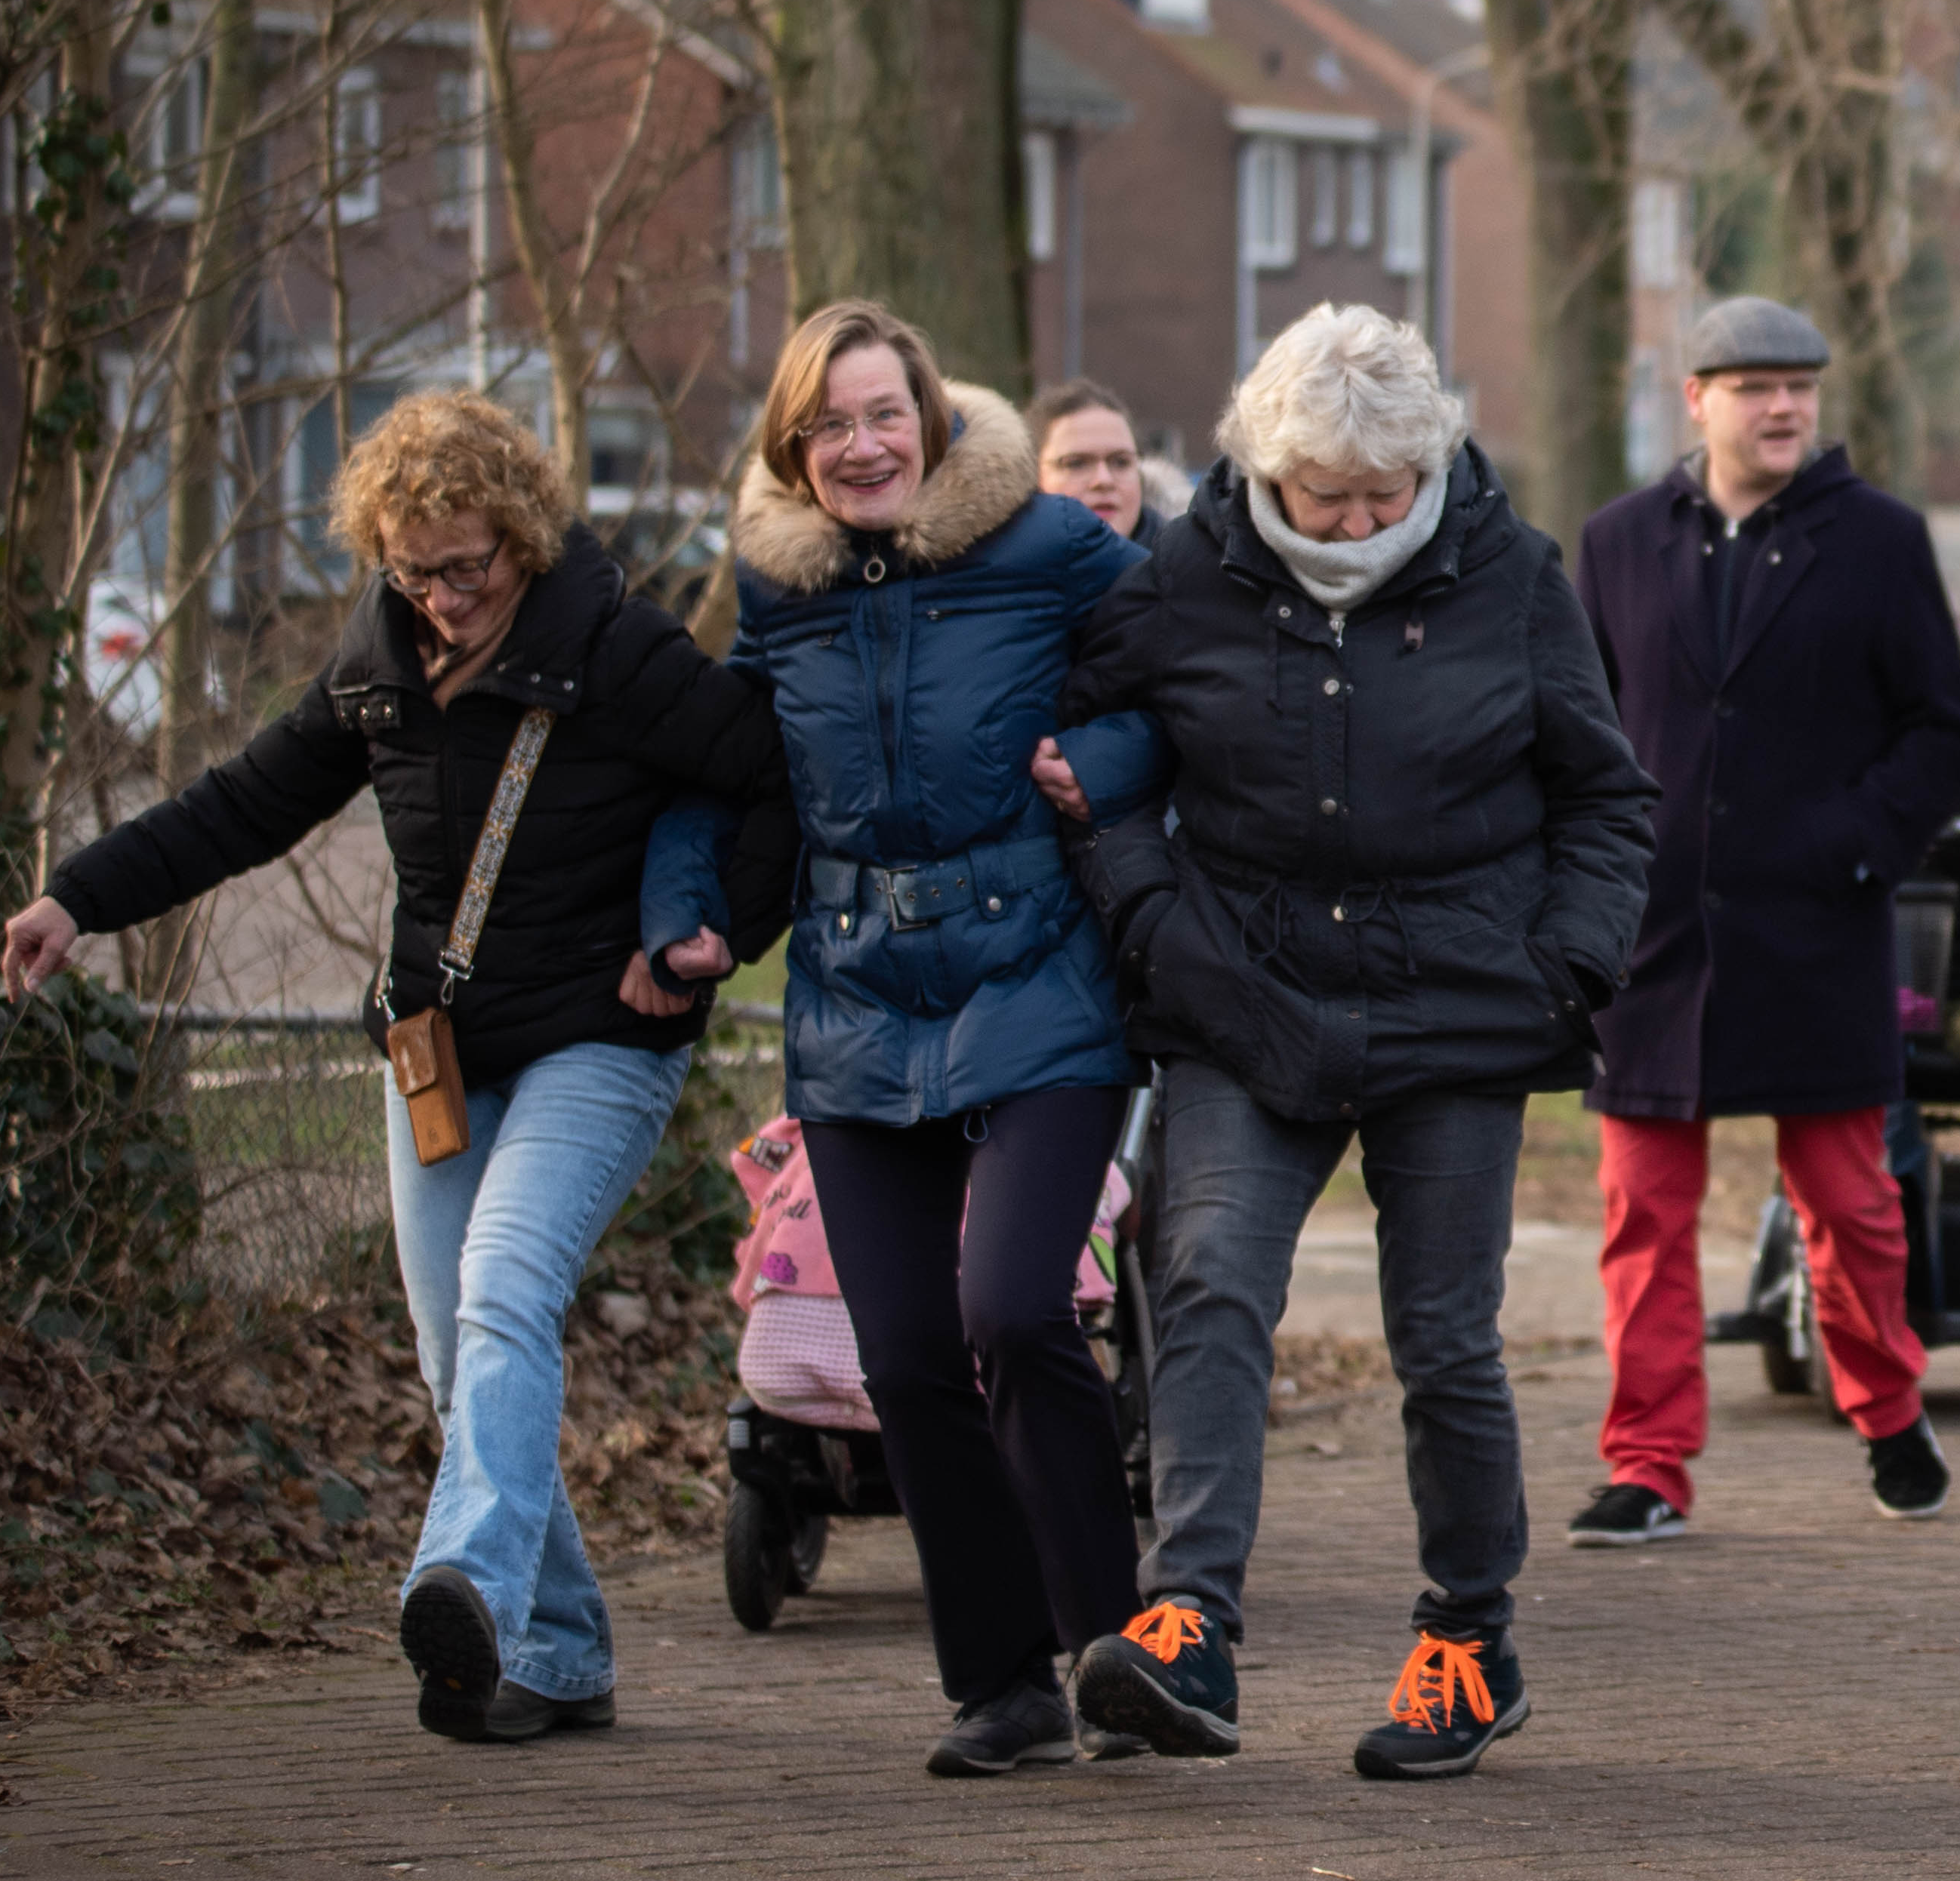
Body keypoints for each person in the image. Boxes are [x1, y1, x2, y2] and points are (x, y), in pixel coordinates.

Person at [0, 392, 790, 1743]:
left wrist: (713, 938)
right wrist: (81, 897)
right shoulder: (375, 662)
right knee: (449, 1351)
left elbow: (771, 775)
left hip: (599, 1039)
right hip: (436, 1044)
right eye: (411, 570)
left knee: (504, 1289)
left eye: (466, 567)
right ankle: (562, 1646)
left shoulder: (620, 650)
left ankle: (463, 1577)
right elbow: (242, 805)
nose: (440, 599)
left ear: (524, 543)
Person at [1043, 306, 1656, 1782]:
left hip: (1456, 1002)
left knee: (1442, 1340)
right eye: (1331, 494)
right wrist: (1147, 920)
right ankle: (1187, 1622)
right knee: (1206, 1291)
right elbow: (1088, 763)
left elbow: (1607, 796)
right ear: (1266, 466)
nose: (1365, 519)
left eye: (1392, 491)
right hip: (1239, 994)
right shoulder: (1186, 576)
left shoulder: (1508, 574)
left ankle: (1466, 1638)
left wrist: (1566, 964)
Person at [641, 301, 1160, 1779]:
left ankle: (1124, 1651)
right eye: (827, 424)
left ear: (930, 420)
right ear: (792, 454)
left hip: (1040, 979)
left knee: (1011, 1306)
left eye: (882, 414)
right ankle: (1003, 1684)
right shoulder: (777, 589)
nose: (860, 444)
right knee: (906, 1353)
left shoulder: (1048, 545)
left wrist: (1100, 761)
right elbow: (718, 772)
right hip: (857, 998)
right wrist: (689, 915)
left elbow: (1179, 679)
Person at [1570, 295, 1960, 1540]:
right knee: (1642, 1219)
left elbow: (1942, 730)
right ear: (1694, 397)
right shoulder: (1614, 541)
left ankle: (1887, 1405)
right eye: (1752, 384)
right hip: (1652, 946)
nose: (1783, 404)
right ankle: (1647, 1464)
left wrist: (1852, 843)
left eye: (1799, 383)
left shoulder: (1880, 540)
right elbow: (1579, 728)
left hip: (1819, 931)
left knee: (1851, 1209)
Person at [1033, 377, 1163, 550]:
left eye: (1121, 462)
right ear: (1032, 477)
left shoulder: (1191, 571)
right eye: (1076, 464)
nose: (1104, 480)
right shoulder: (994, 572)